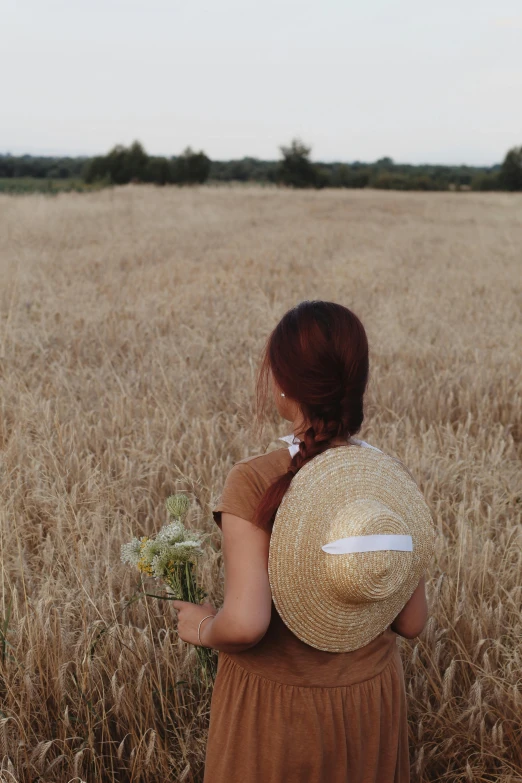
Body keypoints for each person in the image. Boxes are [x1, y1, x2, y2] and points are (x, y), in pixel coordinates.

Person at [172, 300, 433, 783]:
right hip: (369, 708)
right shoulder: (387, 480)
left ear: (284, 385)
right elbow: (413, 621)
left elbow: (247, 623)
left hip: (276, 716)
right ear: (357, 385)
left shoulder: (253, 480)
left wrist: (203, 627)